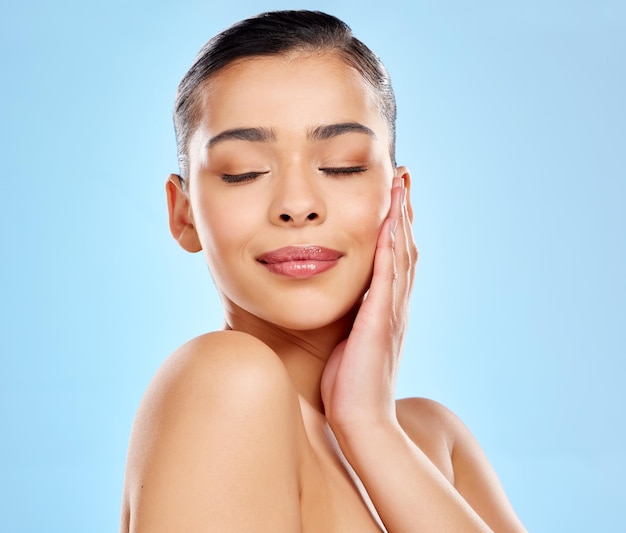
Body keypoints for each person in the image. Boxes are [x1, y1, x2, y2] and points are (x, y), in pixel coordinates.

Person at [120, 10, 527, 532]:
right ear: (184, 213)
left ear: (398, 196)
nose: (296, 204)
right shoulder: (224, 383)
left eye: (342, 165)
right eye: (244, 171)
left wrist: (369, 425)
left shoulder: (432, 442)